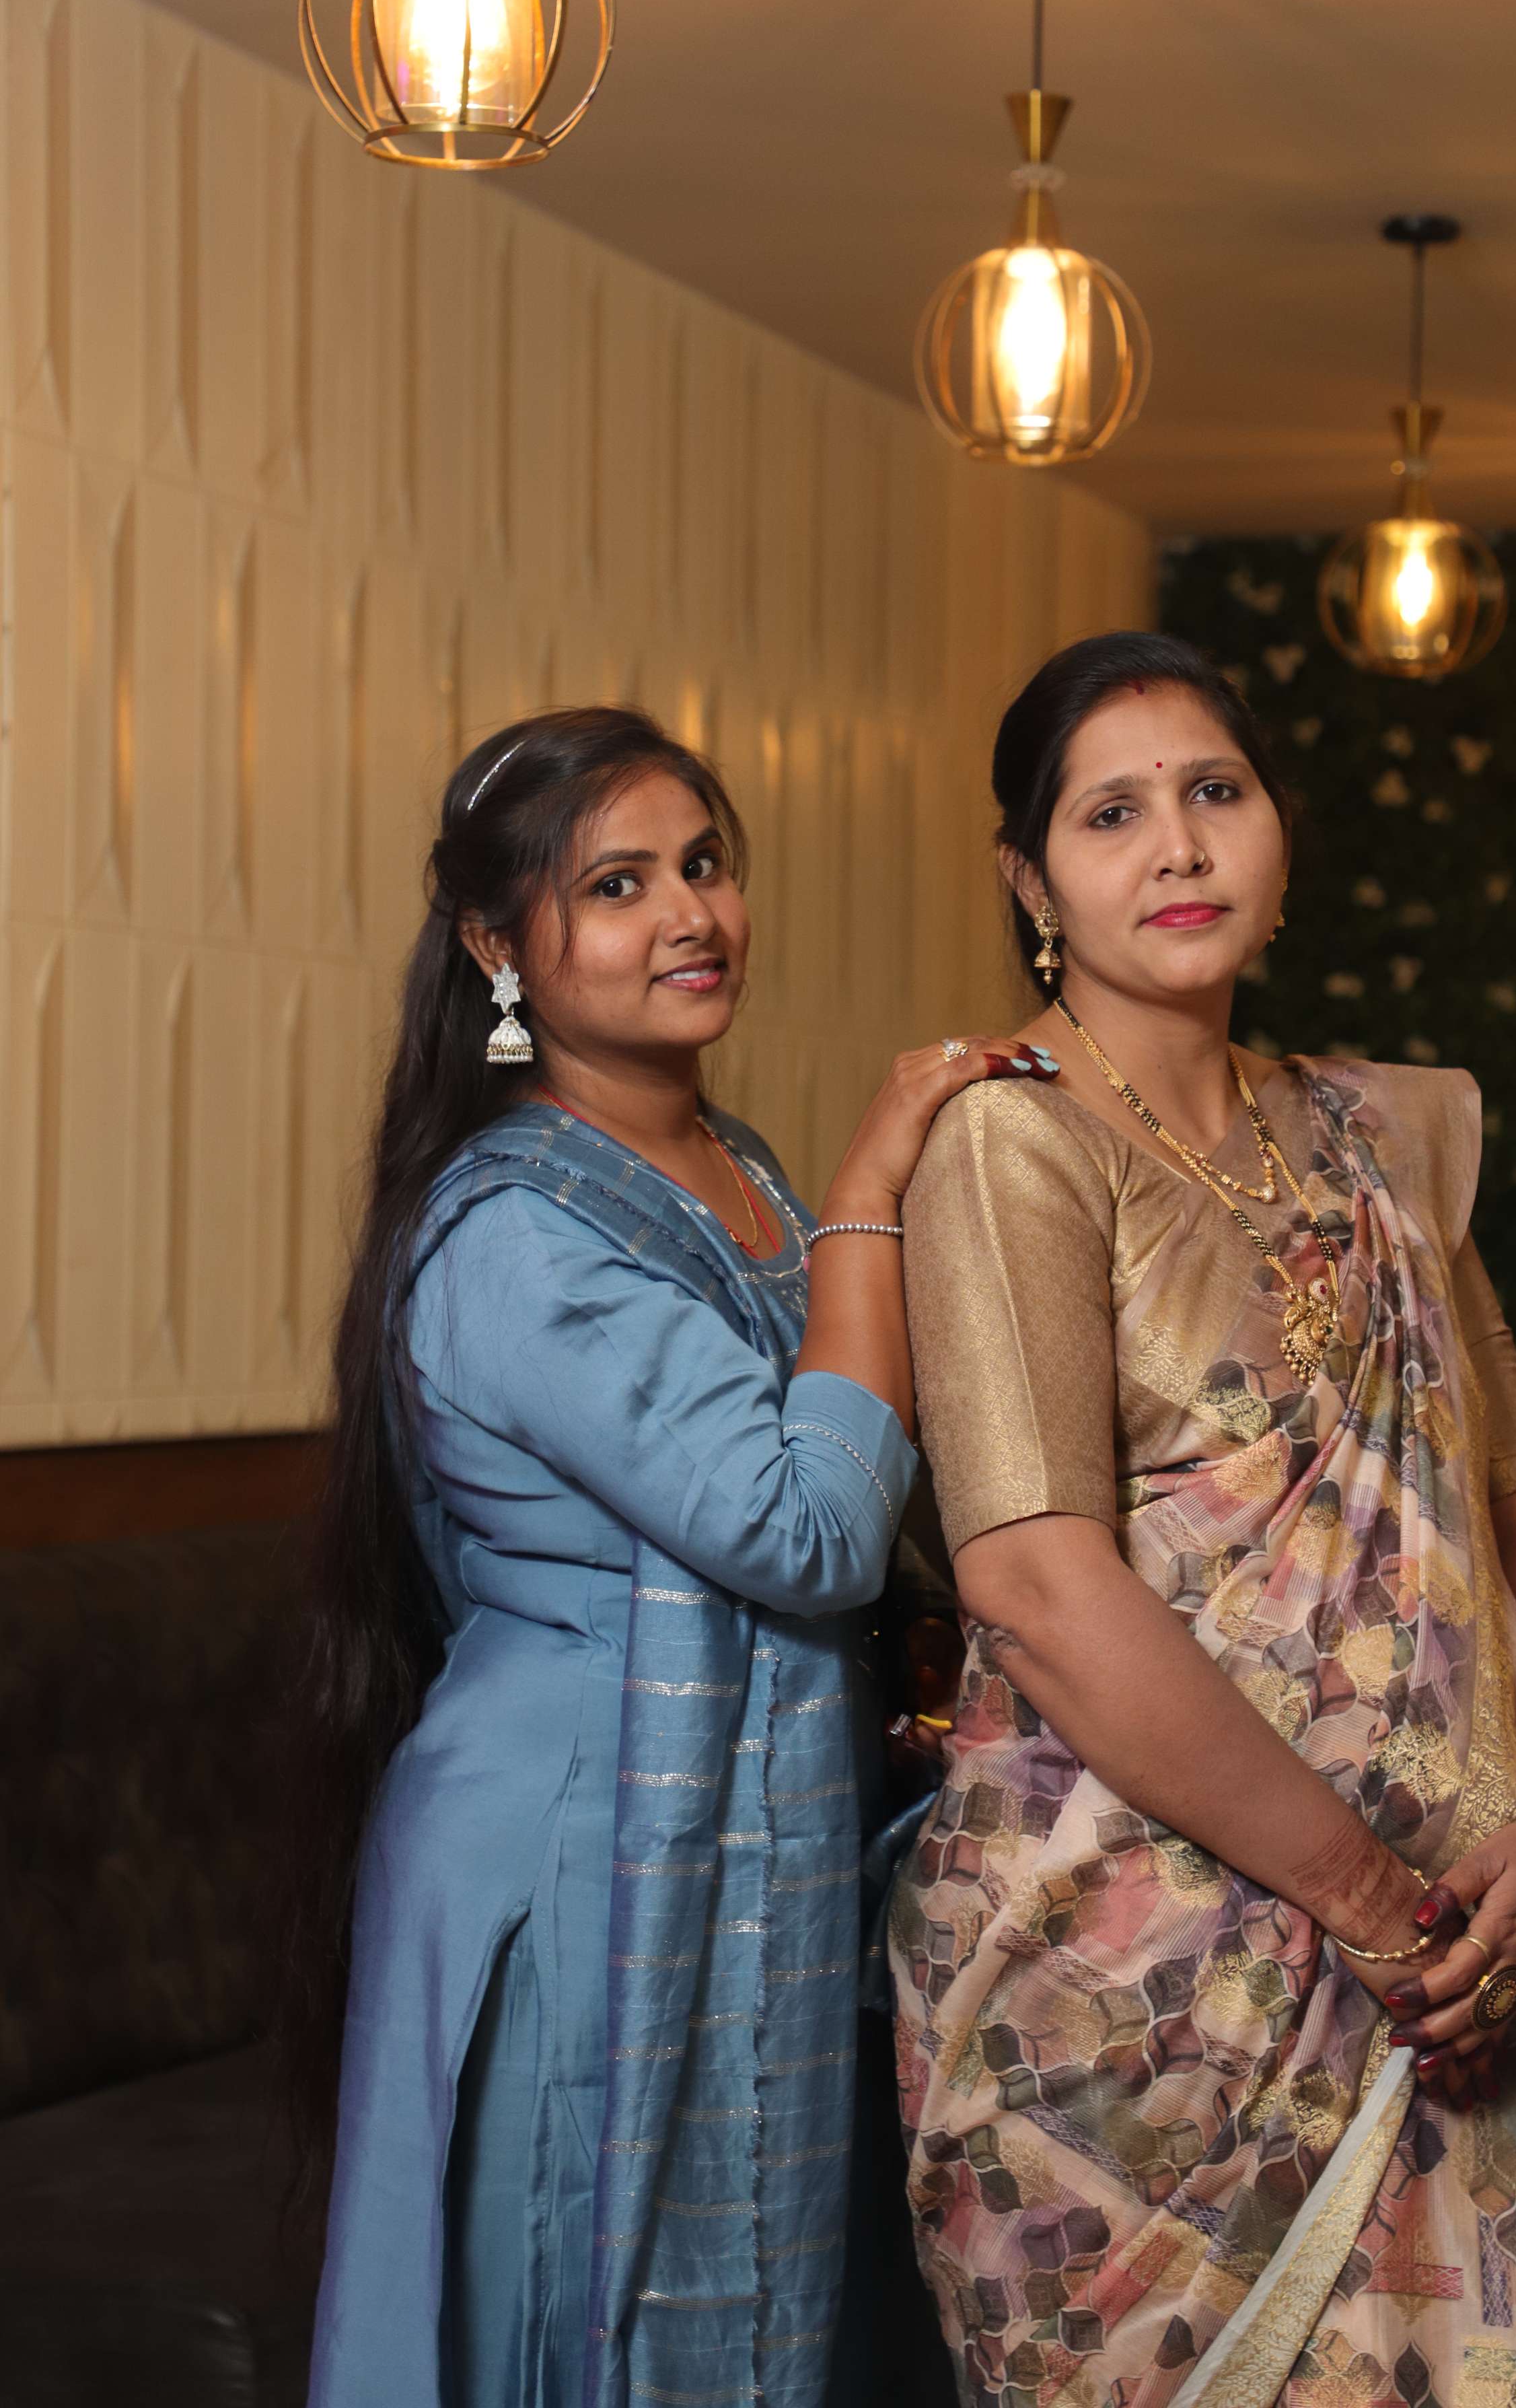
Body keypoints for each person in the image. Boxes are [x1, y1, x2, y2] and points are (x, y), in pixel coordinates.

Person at [888, 635, 1516, 2408]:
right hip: (1133, 2019)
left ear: (1279, 833)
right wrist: (1377, 1909)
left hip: (1464, 1968)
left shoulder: (1381, 1134)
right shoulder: (1016, 1144)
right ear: (1031, 880)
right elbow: (1032, 1578)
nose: (1176, 845)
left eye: (1213, 792)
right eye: (1110, 813)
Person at [286, 705, 1057, 2408]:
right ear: (497, 946)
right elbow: (808, 1526)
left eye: (703, 864)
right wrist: (878, 1181)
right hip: (579, 1840)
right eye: (617, 884)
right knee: (575, 2317)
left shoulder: (732, 1165)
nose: (690, 915)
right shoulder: (514, 1228)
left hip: (739, 1812)